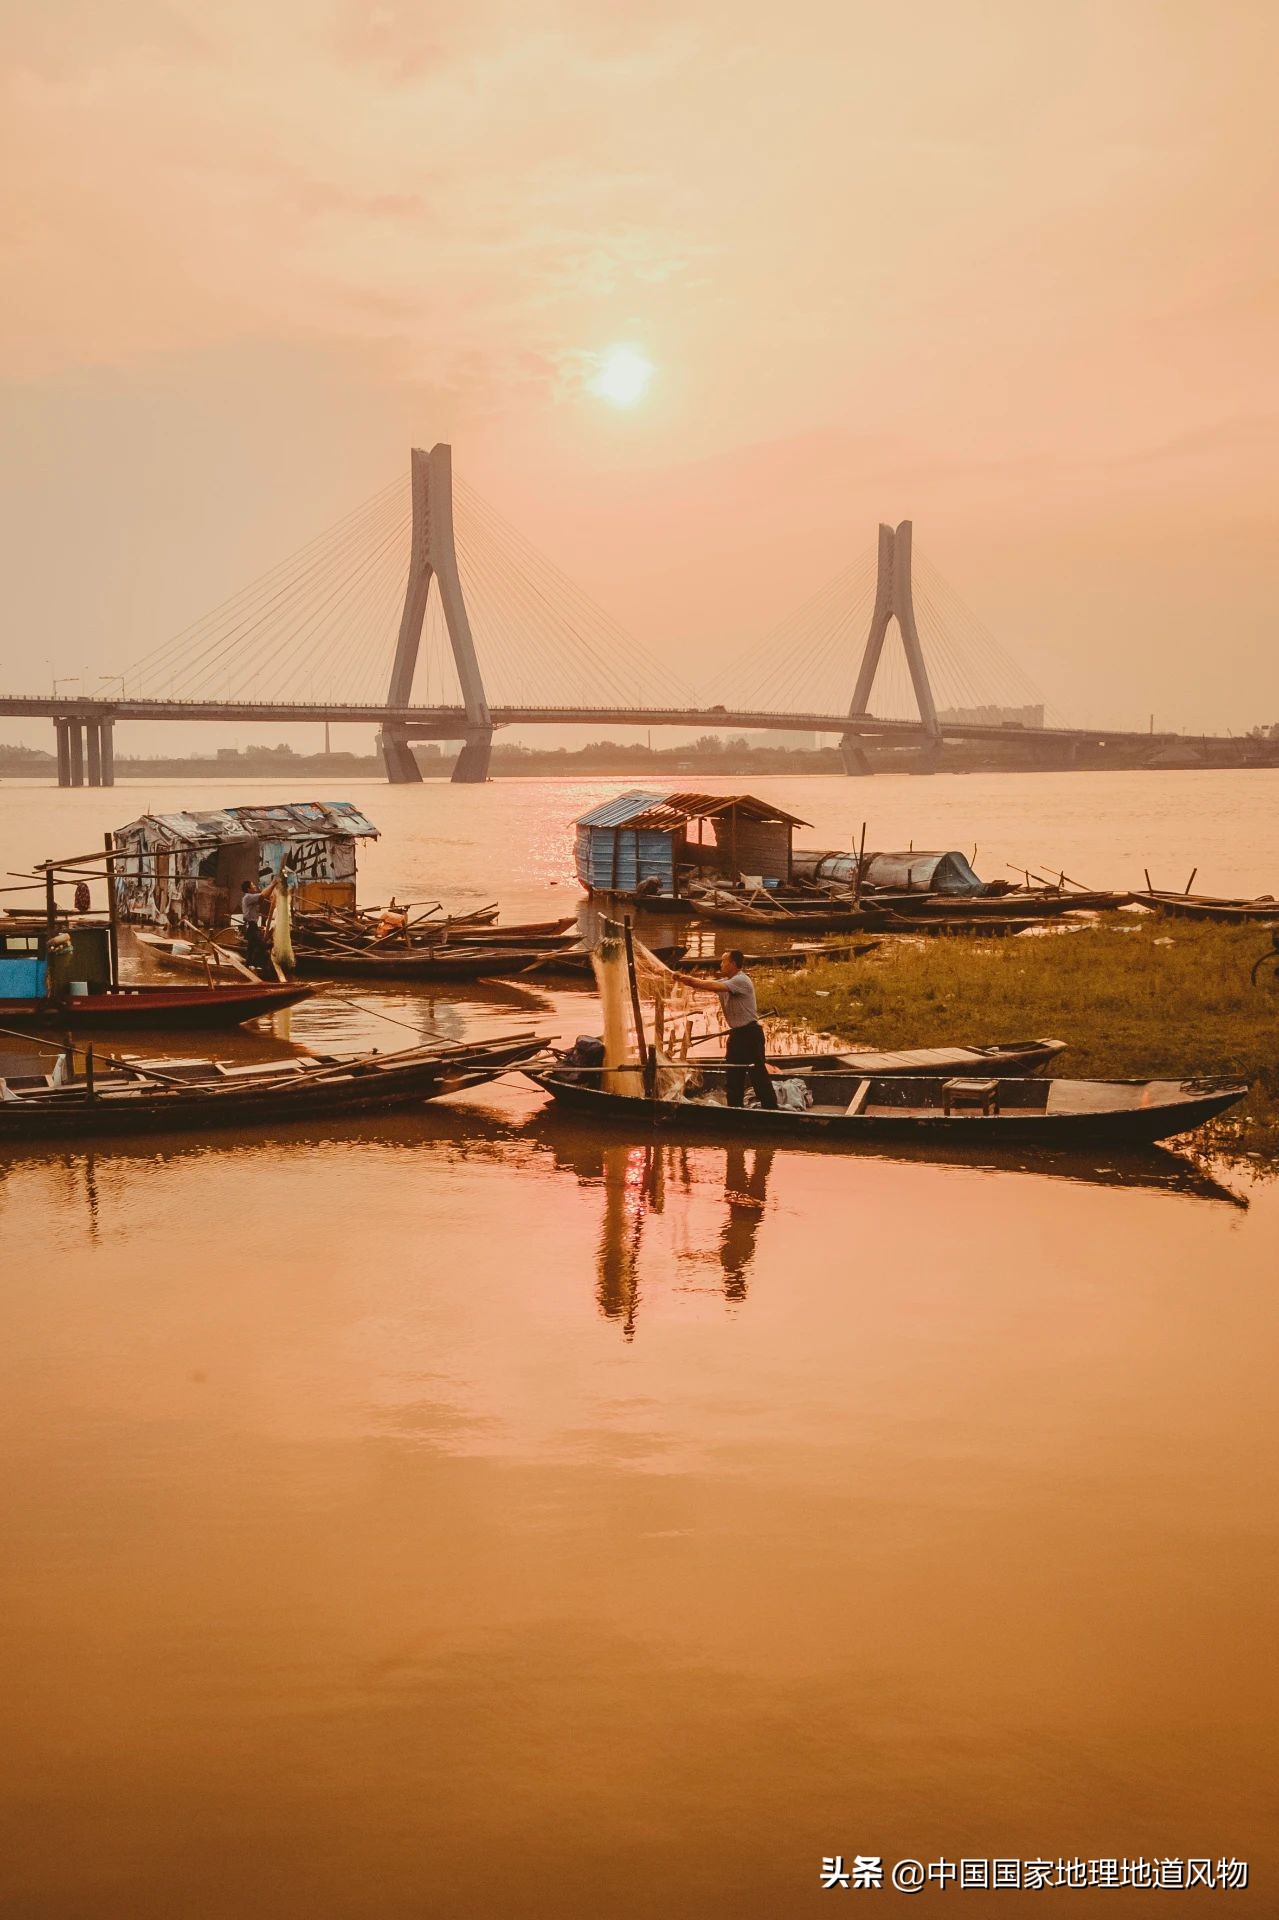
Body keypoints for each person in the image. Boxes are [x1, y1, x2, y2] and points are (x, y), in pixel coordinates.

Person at [676, 950, 778, 1110]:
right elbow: (706, 986)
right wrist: (686, 981)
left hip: (750, 1035)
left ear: (733, 964)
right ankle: (735, 1111)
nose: (720, 964)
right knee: (733, 1076)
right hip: (737, 1035)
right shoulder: (727, 982)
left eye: (723, 961)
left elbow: (709, 984)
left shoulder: (741, 980)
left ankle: (772, 1111)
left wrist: (689, 979)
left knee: (758, 1076)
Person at [239, 875, 274, 976]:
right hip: (251, 926)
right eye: (253, 885)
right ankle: (261, 968)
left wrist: (272, 888)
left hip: (252, 926)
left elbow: (263, 897)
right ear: (248, 889)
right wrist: (273, 884)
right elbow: (263, 895)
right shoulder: (248, 897)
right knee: (264, 946)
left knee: (251, 949)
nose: (255, 886)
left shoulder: (251, 898)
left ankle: (248, 967)